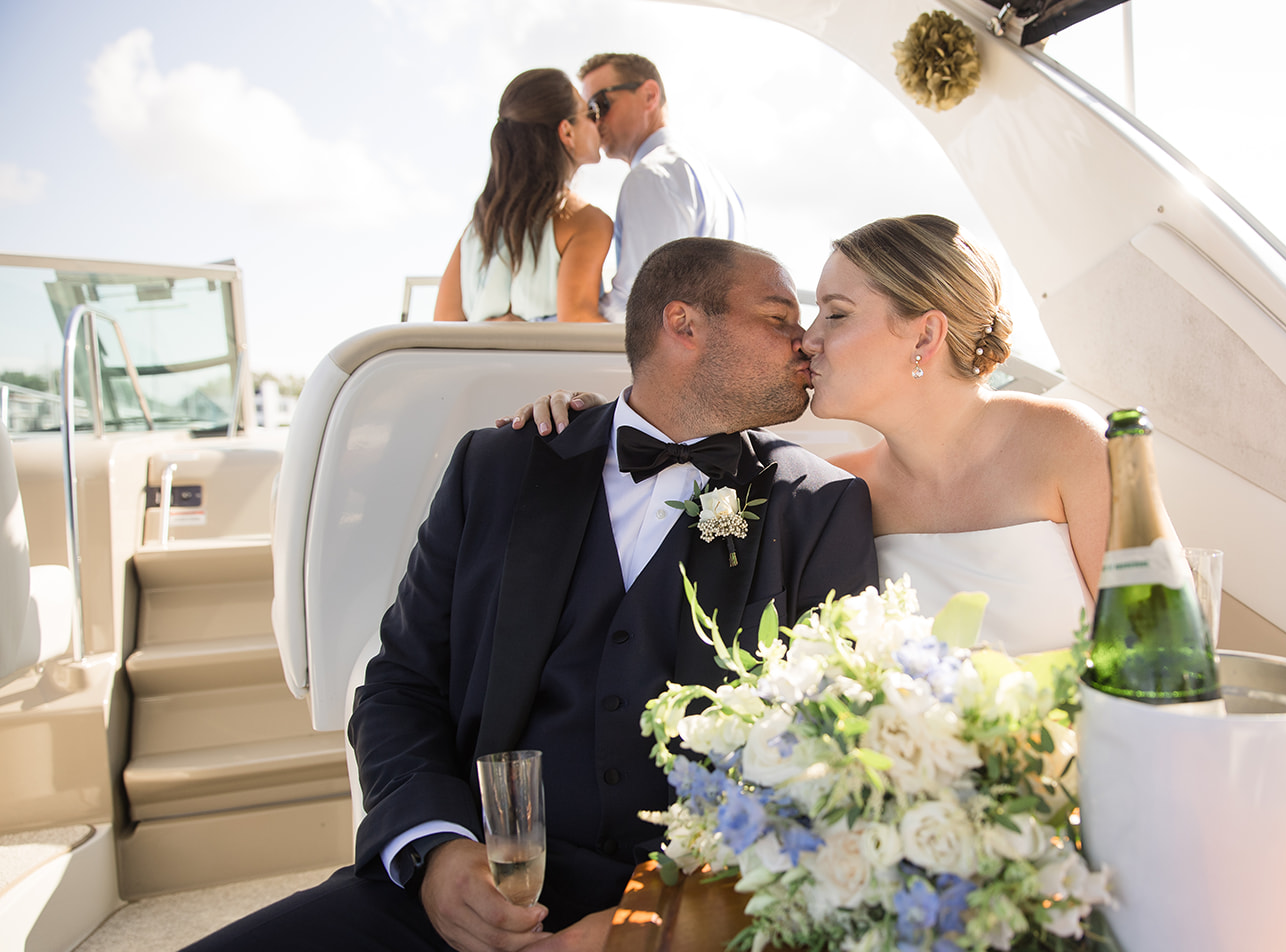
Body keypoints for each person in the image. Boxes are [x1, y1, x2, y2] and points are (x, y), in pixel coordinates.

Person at [67, 238, 877, 952]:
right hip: (467, 894)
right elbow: (399, 688)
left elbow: (826, 764)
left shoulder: (816, 507)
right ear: (682, 324)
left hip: (681, 917)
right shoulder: (499, 466)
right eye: (781, 319)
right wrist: (436, 851)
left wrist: (656, 932)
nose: (806, 340)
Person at [515, 215, 1109, 655]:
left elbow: (1164, 650)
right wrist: (599, 424)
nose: (808, 339)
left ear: (925, 336)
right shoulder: (838, 492)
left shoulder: (1067, 444)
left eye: (837, 313)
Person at [578, 53, 747, 322]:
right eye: (589, 112)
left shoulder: (651, 176)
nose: (595, 121)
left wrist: (556, 313)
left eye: (600, 104)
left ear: (649, 95)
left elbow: (637, 307)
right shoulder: (717, 181)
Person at [434, 68, 612, 323]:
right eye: (590, 113)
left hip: (476, 364)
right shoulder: (586, 221)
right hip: (551, 365)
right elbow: (579, 321)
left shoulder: (476, 231)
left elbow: (444, 325)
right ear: (567, 132)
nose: (598, 122)